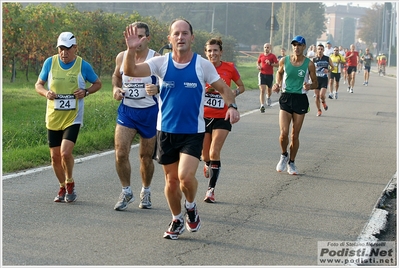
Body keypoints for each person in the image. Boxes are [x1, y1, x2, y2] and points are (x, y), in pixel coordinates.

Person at [123, 19, 240, 240]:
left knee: (185, 178)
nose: (180, 37)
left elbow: (224, 88)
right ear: (170, 39)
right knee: (171, 181)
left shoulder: (202, 65)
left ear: (192, 37)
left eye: (185, 33)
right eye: (176, 33)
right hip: (165, 131)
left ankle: (191, 205)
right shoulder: (161, 63)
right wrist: (130, 50)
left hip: (192, 131)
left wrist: (232, 106)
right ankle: (177, 218)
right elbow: (130, 70)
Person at [34, 32, 102, 203]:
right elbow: (38, 85)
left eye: (67, 49)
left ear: (75, 48)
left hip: (73, 117)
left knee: (65, 153)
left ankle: (70, 181)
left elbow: (98, 83)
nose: (64, 53)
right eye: (61, 49)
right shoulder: (50, 62)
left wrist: (85, 91)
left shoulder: (82, 65)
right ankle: (62, 185)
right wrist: (46, 93)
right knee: (54, 157)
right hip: (53, 117)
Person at [111, 22, 160, 211]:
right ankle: (126, 191)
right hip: (127, 111)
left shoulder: (156, 58)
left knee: (145, 157)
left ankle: (146, 190)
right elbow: (116, 77)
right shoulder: (122, 57)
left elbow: (170, 83)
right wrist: (116, 89)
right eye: (133, 36)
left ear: (147, 38)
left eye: (141, 37)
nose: (137, 41)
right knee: (120, 152)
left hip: (150, 113)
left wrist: (158, 88)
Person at [202, 37, 245, 203]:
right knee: (205, 154)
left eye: (215, 50)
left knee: (214, 151)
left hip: (222, 116)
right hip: (203, 116)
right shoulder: (200, 67)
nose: (213, 54)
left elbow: (241, 86)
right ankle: (207, 163)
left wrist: (234, 93)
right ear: (206, 53)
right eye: (209, 51)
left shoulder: (229, 68)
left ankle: (210, 190)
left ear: (221, 52)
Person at [272, 35, 317, 175]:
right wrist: (277, 84)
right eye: (294, 45)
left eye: (299, 45)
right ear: (292, 46)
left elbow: (316, 82)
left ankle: (292, 162)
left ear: (304, 47)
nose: (296, 47)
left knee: (294, 135)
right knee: (283, 134)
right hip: (286, 97)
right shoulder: (284, 60)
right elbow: (279, 74)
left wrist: (310, 85)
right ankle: (284, 155)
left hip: (300, 99)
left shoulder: (309, 64)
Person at [312, 43, 334, 116]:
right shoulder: (314, 59)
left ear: (323, 50)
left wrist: (328, 70)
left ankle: (323, 102)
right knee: (317, 96)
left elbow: (333, 67)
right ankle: (319, 110)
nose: (320, 50)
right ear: (316, 50)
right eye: (319, 49)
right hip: (316, 79)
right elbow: (309, 69)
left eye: (321, 49)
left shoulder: (327, 58)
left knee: (321, 95)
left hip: (324, 79)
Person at [257, 43, 278, 112]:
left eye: (268, 47)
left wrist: (271, 64)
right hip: (262, 74)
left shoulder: (272, 56)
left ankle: (268, 97)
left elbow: (277, 64)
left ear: (270, 48)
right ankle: (262, 105)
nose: (266, 49)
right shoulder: (261, 55)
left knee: (269, 90)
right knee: (262, 90)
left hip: (269, 75)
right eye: (265, 47)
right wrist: (258, 66)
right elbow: (258, 62)